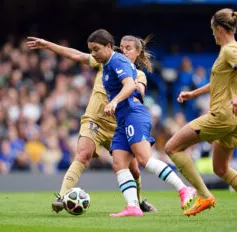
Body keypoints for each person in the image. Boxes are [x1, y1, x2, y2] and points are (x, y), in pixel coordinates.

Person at [164, 8, 237, 220]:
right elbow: (218, 83)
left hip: (222, 115)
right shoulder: (231, 50)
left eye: (212, 29)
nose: (212, 34)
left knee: (172, 147)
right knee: (221, 168)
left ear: (220, 28)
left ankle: (204, 195)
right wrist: (193, 93)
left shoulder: (229, 51)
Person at [26, 34, 157, 213]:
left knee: (134, 170)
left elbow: (139, 89)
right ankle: (62, 195)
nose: (124, 51)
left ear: (137, 52)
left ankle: (138, 201)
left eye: (129, 48)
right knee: (82, 154)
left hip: (118, 127)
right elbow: (75, 55)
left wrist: (133, 89)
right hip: (94, 120)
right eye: (122, 47)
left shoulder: (139, 74)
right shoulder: (105, 62)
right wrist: (48, 44)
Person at [87, 29, 195, 217]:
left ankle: (184, 189)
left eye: (96, 49)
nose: (93, 54)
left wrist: (114, 102)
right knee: (119, 163)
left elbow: (130, 86)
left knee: (144, 159)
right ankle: (133, 206)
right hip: (122, 119)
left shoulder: (118, 62)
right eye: (123, 48)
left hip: (133, 115)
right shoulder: (108, 65)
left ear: (107, 47)